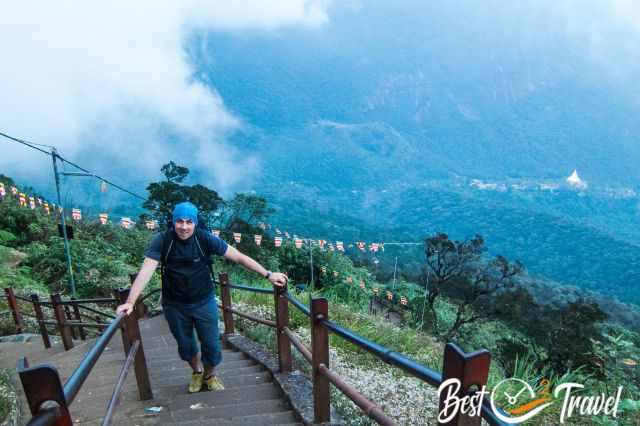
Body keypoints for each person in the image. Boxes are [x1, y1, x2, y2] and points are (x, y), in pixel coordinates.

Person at [116, 201, 288, 393]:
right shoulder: (163, 240)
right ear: (173, 222)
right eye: (179, 221)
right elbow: (146, 270)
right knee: (185, 345)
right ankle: (197, 372)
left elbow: (238, 256)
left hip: (203, 301)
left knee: (212, 345)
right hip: (174, 304)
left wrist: (268, 274)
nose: (184, 226)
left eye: (189, 222)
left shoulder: (205, 239)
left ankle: (210, 375)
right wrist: (130, 302)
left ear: (195, 223)